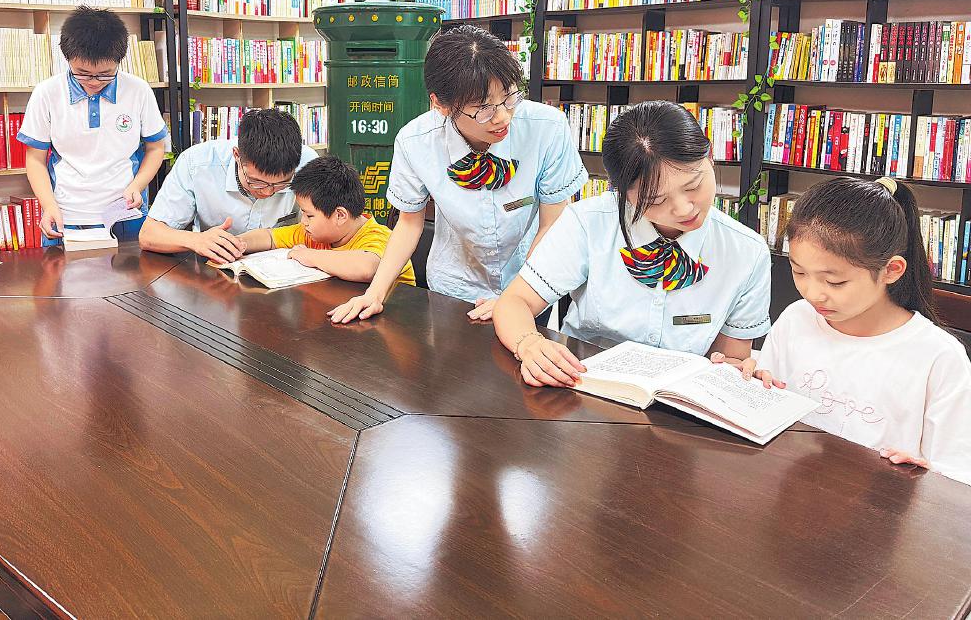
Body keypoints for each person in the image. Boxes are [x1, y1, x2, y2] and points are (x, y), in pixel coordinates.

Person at [492, 100, 771, 388]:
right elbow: (514, 302)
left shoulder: (747, 252)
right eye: (656, 200)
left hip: (676, 399)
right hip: (581, 384)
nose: (684, 209)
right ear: (622, 193)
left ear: (709, 157)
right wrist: (529, 343)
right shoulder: (588, 223)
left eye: (693, 186)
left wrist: (738, 371)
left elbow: (729, 358)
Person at [329, 24, 585, 325]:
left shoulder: (547, 128)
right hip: (453, 290)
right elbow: (408, 224)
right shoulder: (416, 141)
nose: (502, 117)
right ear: (441, 104)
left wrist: (515, 298)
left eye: (509, 97)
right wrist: (375, 293)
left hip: (529, 284)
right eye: (483, 108)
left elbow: (552, 224)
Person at [755, 176, 971, 484]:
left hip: (884, 506)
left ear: (891, 270)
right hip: (795, 493)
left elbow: (957, 472)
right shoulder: (796, 319)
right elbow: (766, 410)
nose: (813, 294)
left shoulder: (938, 357)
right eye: (799, 272)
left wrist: (928, 473)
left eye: (835, 282)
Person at [17, 6, 167, 244]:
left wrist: (137, 186)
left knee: (135, 269)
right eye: (83, 73)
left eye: (106, 74)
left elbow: (156, 148)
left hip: (125, 215)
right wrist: (48, 205)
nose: (94, 82)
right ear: (67, 58)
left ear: (119, 61)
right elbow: (35, 159)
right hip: (65, 216)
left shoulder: (138, 90)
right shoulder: (47, 93)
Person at [140, 109, 318, 265]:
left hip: (284, 272)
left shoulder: (308, 163)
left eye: (281, 184)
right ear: (237, 155)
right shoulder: (197, 163)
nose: (268, 191)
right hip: (214, 275)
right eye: (256, 182)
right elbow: (149, 235)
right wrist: (196, 240)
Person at [238, 156, 415, 286]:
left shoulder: (380, 236)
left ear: (340, 215)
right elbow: (269, 237)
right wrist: (236, 243)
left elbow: (366, 268)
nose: (303, 222)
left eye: (309, 215)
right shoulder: (312, 232)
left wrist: (309, 255)